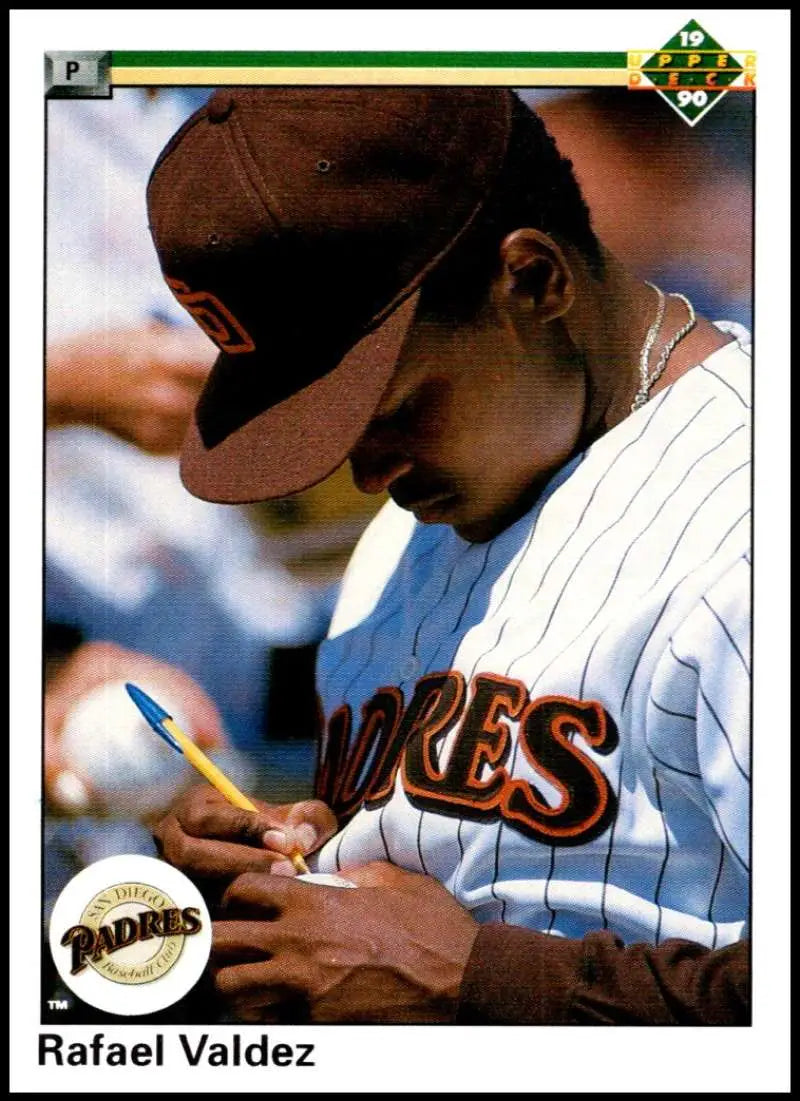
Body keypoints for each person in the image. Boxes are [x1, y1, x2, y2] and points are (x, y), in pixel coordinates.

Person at [149, 88, 750, 1024]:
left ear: (534, 280)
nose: (367, 470)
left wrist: (474, 984)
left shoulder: (745, 526)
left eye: (390, 410)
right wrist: (298, 859)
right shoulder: (414, 524)